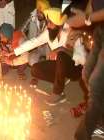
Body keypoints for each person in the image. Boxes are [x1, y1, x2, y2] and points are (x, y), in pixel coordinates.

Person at [6, 8, 88, 106]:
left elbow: (82, 59)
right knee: (35, 69)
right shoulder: (49, 32)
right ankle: (61, 81)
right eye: (47, 22)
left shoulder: (72, 33)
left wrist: (62, 49)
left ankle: (58, 93)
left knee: (61, 55)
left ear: (59, 25)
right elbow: (34, 42)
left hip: (74, 69)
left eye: (50, 23)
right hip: (59, 65)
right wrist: (14, 52)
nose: (47, 25)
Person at [66, 0, 104, 139]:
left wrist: (87, 18)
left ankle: (82, 135)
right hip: (100, 30)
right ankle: (100, 116)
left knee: (96, 84)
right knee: (87, 73)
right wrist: (85, 22)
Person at [21, 0, 51, 87]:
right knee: (32, 60)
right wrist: (28, 42)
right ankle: (36, 75)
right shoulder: (33, 17)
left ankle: (48, 68)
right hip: (36, 46)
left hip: (47, 47)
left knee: (51, 57)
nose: (38, 14)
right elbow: (22, 30)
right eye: (38, 11)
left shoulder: (51, 21)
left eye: (41, 13)